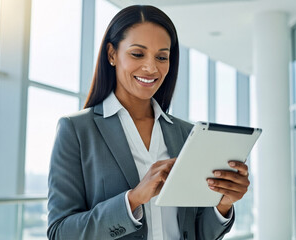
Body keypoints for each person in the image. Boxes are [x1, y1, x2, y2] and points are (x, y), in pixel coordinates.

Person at [47, 5, 250, 240]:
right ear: (112, 54)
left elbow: (198, 233)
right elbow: (60, 232)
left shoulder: (187, 133)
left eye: (162, 57)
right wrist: (133, 199)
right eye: (137, 54)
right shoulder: (76, 130)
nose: (151, 68)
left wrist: (223, 204)